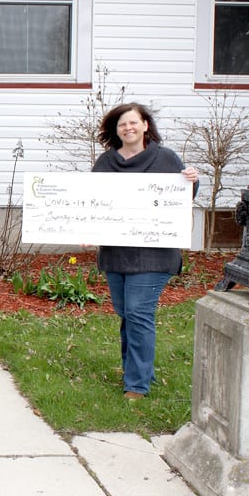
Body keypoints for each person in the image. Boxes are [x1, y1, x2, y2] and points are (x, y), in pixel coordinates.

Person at [92, 103, 199, 400]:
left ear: (145, 125)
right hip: (116, 253)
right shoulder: (106, 163)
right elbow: (91, 202)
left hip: (154, 253)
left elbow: (183, 196)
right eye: (122, 124)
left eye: (133, 122)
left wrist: (192, 179)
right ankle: (138, 371)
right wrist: (85, 231)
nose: (128, 128)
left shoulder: (165, 158)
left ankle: (137, 385)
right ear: (116, 131)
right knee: (127, 314)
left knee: (138, 313)